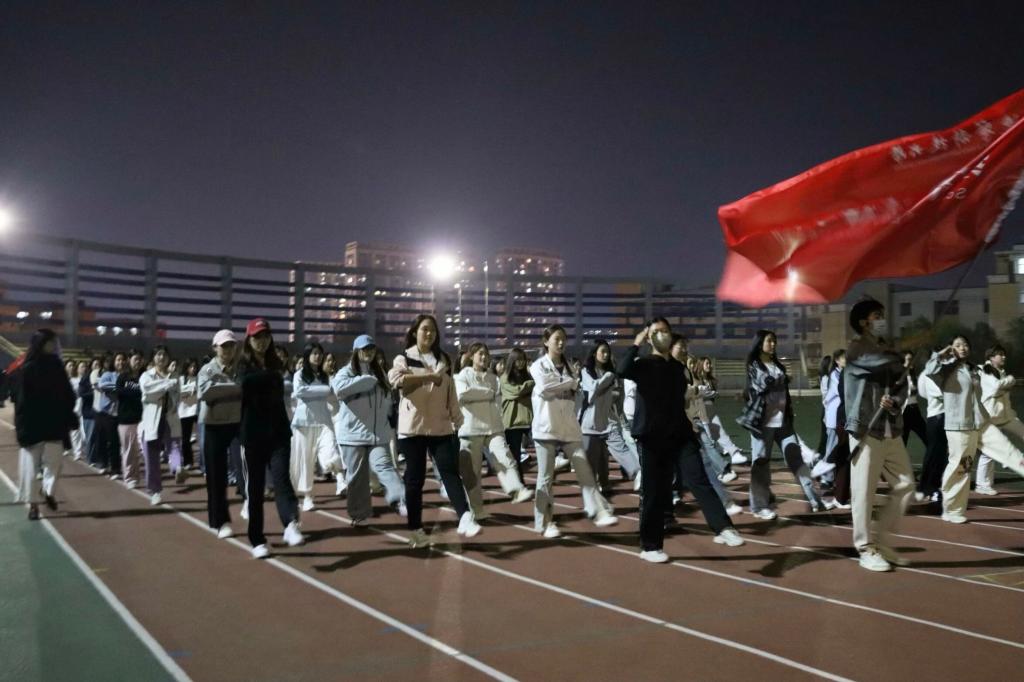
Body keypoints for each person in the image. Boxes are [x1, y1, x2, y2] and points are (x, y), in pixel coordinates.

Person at [619, 319, 743, 563]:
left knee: (700, 480)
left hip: (680, 434)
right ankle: (650, 546)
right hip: (652, 437)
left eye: (665, 331)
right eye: (656, 332)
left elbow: (680, 399)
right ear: (648, 337)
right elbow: (622, 370)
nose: (662, 335)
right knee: (654, 492)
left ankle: (723, 527)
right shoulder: (642, 364)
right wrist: (636, 343)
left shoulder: (677, 368)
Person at [389, 315, 481, 546]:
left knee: (450, 472)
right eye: (424, 329)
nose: (429, 334)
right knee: (415, 479)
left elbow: (450, 391)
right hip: (413, 427)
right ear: (414, 332)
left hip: (440, 425)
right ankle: (416, 529)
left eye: (433, 330)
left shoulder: (444, 359)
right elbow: (397, 380)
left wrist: (458, 419)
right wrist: (428, 376)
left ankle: (465, 517)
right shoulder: (404, 358)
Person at [843, 299, 915, 571]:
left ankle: (882, 541)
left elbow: (901, 384)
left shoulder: (889, 349)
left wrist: (895, 401)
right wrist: (902, 355)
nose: (882, 319)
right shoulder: (856, 349)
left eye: (883, 314)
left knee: (906, 485)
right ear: (864, 322)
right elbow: (874, 363)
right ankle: (865, 548)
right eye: (877, 315)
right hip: (866, 428)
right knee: (863, 493)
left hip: (890, 428)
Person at [530, 324, 617, 538]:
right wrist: (569, 383)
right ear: (546, 341)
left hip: (569, 426)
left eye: (563, 339)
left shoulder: (569, 366)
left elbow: (575, 392)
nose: (561, 343)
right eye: (556, 339)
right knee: (545, 478)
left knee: (584, 469)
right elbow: (545, 387)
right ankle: (545, 522)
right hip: (546, 427)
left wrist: (567, 384)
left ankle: (599, 511)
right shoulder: (538, 365)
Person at [925, 335, 1024, 523]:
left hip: (981, 423)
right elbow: (930, 370)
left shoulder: (973, 369)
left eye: (965, 344)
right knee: (962, 469)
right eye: (958, 345)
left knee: (1009, 451)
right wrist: (941, 355)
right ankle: (951, 510)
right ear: (951, 349)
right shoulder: (945, 370)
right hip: (960, 428)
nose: (963, 347)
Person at [737, 330, 825, 518]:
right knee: (761, 464)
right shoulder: (754, 365)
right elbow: (762, 384)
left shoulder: (777, 365)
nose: (773, 344)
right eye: (769, 341)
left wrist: (788, 410)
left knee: (796, 459)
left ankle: (814, 499)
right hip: (763, 423)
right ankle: (758, 507)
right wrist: (782, 379)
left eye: (774, 341)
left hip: (783, 422)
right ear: (759, 343)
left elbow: (782, 391)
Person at [239, 318, 304, 559]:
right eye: (257, 337)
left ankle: (290, 524)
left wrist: (270, 376)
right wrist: (269, 377)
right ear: (249, 340)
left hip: (278, 434)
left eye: (265, 336)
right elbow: (245, 385)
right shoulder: (241, 365)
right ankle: (257, 539)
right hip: (252, 436)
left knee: (281, 480)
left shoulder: (276, 365)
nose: (262, 341)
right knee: (256, 489)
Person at [455, 342, 533, 519]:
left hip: (493, 427)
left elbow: (497, 400)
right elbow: (463, 394)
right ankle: (476, 510)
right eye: (480, 354)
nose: (484, 357)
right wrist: (487, 393)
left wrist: (481, 395)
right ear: (472, 356)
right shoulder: (463, 375)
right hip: (470, 428)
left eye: (486, 354)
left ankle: (516, 489)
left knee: (505, 457)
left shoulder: (493, 378)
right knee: (472, 473)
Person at [333, 335, 406, 522]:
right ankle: (359, 514)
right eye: (365, 349)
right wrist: (366, 380)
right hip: (353, 436)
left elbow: (387, 399)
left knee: (385, 466)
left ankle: (399, 499)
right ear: (356, 351)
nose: (369, 352)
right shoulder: (346, 372)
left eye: (372, 348)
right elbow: (338, 389)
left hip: (377, 435)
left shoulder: (380, 373)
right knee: (357, 478)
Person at [15, 329, 77, 520]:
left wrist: (68, 415)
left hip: (54, 425)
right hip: (32, 426)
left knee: (55, 464)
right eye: (51, 342)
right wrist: (21, 428)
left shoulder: (57, 366)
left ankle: (48, 491)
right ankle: (33, 505)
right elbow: (21, 402)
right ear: (41, 343)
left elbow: (67, 394)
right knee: (31, 469)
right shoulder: (28, 368)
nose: (55, 346)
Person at [580, 339, 641, 495]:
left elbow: (616, 396)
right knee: (594, 463)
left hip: (609, 422)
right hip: (590, 424)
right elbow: (593, 389)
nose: (606, 355)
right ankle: (597, 492)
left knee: (622, 449)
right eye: (603, 351)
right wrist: (608, 377)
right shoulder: (586, 371)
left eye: (608, 351)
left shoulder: (612, 374)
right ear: (594, 353)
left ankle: (638, 473)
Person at [197, 330, 243, 540]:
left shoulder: (241, 368)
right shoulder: (207, 370)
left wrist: (221, 389)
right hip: (214, 426)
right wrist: (235, 388)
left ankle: (249, 502)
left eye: (231, 345)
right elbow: (205, 393)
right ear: (215, 348)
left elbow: (246, 389)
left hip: (237, 423)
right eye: (224, 346)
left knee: (246, 467)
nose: (228, 350)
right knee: (216, 477)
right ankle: (220, 520)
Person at [291, 341, 343, 511]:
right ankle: (307, 496)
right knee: (305, 461)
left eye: (320, 353)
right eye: (314, 353)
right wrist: (324, 390)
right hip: (303, 423)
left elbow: (332, 395)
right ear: (307, 356)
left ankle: (340, 478)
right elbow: (300, 392)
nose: (318, 356)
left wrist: (329, 391)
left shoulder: (324, 376)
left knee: (331, 450)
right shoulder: (299, 375)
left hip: (324, 421)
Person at [975, 345, 1024, 495]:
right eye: (1000, 354)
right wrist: (1010, 380)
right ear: (991, 357)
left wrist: (1007, 382)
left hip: (1007, 416)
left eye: (1004, 354)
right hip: (992, 417)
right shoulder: (985, 371)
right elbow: (995, 388)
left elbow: (1000, 390)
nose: (1004, 357)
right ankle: (982, 484)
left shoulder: (1000, 371)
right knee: (988, 454)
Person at [140, 346, 183, 505]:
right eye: (158, 354)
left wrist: (171, 385)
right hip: (152, 419)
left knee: (175, 445)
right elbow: (148, 391)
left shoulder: (175, 376)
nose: (162, 357)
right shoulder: (147, 376)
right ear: (153, 358)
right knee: (151, 455)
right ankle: (155, 491)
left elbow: (177, 394)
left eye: (164, 355)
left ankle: (178, 469)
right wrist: (168, 383)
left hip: (169, 416)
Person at [698, 356, 746, 466]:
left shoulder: (710, 380)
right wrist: (709, 393)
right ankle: (718, 461)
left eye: (710, 363)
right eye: (707, 363)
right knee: (706, 440)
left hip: (710, 409)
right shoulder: (696, 379)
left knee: (720, 432)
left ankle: (733, 453)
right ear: (701, 365)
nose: (709, 366)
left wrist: (711, 394)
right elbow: (696, 394)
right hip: (700, 412)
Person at [500, 348, 534, 479]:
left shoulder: (528, 376)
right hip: (512, 422)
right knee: (515, 456)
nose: (521, 363)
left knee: (543, 448)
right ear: (512, 361)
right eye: (518, 360)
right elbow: (516, 391)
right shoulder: (505, 377)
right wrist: (530, 385)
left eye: (523, 360)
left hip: (529, 420)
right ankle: (519, 482)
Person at [178, 359, 200, 472]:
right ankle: (188, 462)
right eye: (191, 367)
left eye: (195, 367)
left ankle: (203, 463)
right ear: (186, 368)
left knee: (203, 438)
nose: (193, 369)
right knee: (185, 439)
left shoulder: (199, 378)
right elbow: (178, 391)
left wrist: (193, 389)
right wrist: (190, 389)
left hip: (197, 411)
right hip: (184, 412)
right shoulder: (181, 379)